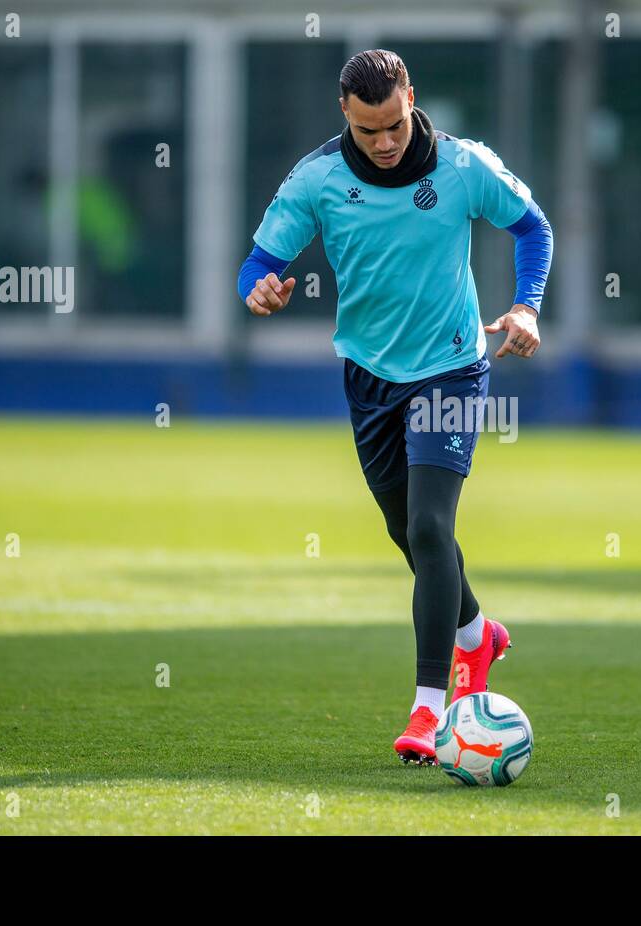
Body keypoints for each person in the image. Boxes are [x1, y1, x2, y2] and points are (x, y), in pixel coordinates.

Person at [237, 49, 553, 765]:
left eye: (396, 124)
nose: (385, 142)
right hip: (370, 376)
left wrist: (528, 306)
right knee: (404, 532)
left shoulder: (463, 166)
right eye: (369, 129)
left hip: (450, 368)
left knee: (432, 526)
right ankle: (478, 635)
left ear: (412, 97)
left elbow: (533, 227)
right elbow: (259, 263)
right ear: (342, 112)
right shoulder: (317, 179)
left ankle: (428, 708)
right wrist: (258, 290)